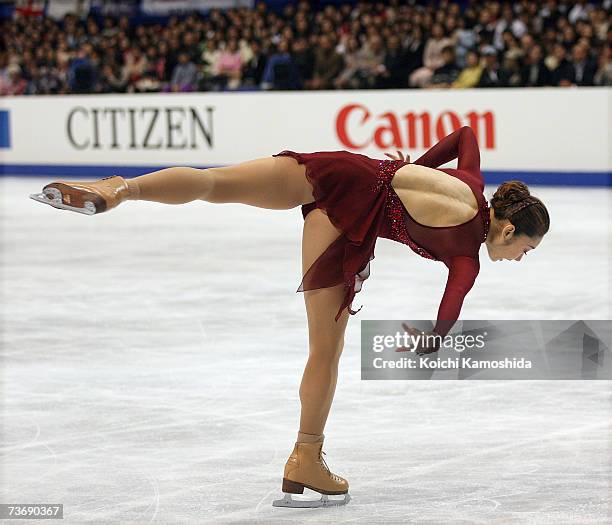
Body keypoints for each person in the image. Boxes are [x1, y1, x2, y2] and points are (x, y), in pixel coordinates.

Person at [30, 126, 550, 507]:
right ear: (506, 231)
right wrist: (431, 342)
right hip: (343, 224)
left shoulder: (472, 180)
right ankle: (306, 457)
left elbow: (463, 134)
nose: (520, 259)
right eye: (525, 249)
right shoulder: (465, 256)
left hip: (342, 169)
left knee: (216, 184)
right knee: (326, 351)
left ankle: (119, 189)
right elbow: (452, 305)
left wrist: (418, 163)